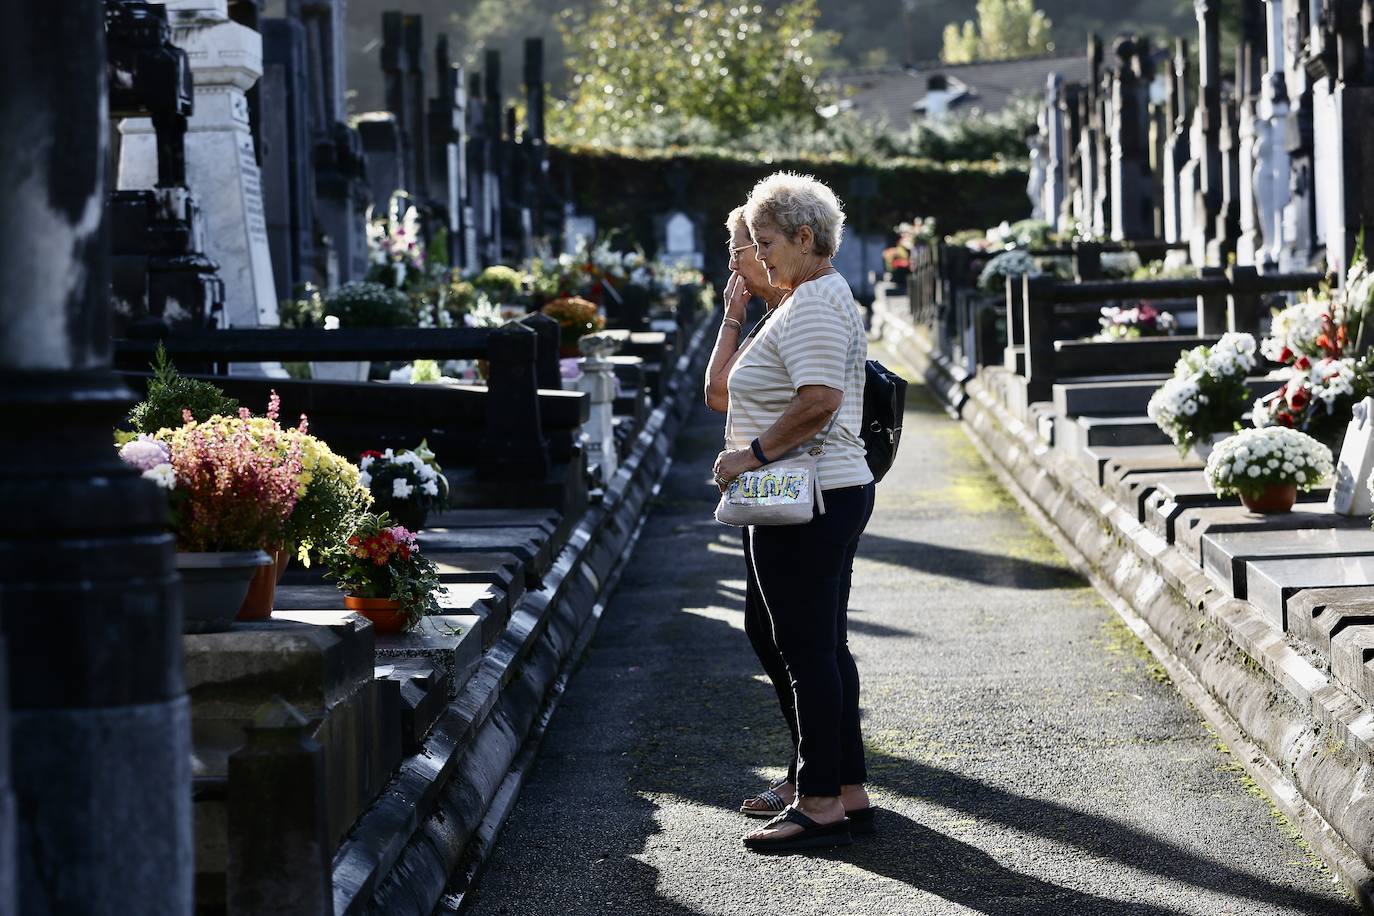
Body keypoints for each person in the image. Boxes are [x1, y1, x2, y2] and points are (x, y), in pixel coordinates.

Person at [711, 172, 875, 853]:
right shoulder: (813, 296)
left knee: (805, 650)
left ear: (806, 238)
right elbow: (726, 391)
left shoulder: (809, 304)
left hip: (808, 491)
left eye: (768, 242)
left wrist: (750, 454)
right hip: (822, 490)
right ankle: (847, 788)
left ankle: (817, 801)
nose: (760, 254)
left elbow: (819, 401)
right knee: (817, 644)